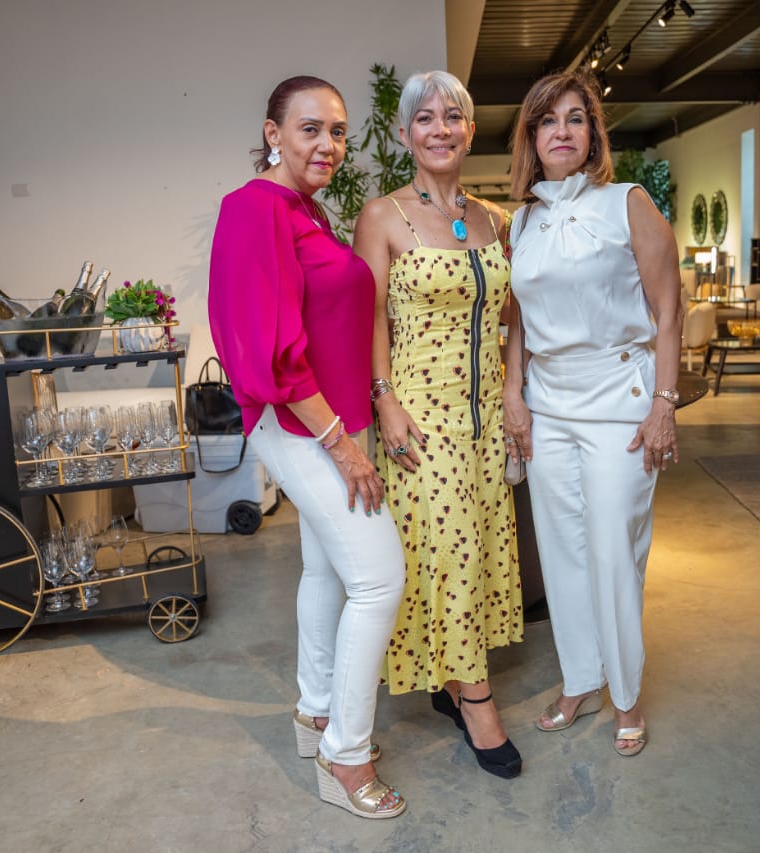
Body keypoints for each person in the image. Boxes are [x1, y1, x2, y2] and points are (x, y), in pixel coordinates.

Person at [208, 75, 407, 819]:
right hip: (301, 423)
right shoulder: (254, 207)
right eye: (310, 128)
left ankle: (316, 712)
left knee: (325, 567)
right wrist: (342, 446)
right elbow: (271, 349)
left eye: (338, 131)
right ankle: (346, 756)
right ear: (273, 134)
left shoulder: (305, 209)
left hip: (332, 417)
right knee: (380, 577)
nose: (328, 144)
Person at [502, 70, 682, 758]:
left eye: (575, 118)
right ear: (531, 137)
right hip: (549, 408)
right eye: (548, 120)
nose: (562, 131)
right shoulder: (522, 221)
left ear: (593, 134)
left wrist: (664, 404)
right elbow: (519, 319)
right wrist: (514, 394)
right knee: (562, 551)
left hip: (620, 404)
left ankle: (626, 694)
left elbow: (669, 311)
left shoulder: (626, 203)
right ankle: (580, 679)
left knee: (612, 551)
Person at [352, 70, 523, 779]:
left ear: (470, 131)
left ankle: (451, 679)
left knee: (474, 549)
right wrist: (383, 399)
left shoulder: (494, 220)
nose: (440, 129)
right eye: (425, 118)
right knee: (445, 554)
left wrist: (515, 392)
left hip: (486, 415)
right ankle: (477, 700)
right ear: (404, 134)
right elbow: (368, 318)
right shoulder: (383, 215)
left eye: (453, 117)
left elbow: (516, 315)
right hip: (422, 416)